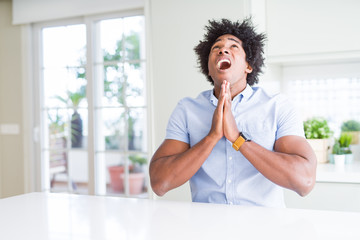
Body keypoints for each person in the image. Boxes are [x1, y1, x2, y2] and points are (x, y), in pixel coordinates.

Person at [149, 18, 317, 207]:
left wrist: (237, 139)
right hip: (205, 228)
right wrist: (212, 137)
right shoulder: (187, 109)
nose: (223, 50)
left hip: (265, 229)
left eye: (234, 46)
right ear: (209, 69)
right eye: (216, 48)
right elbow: (159, 183)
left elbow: (305, 182)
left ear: (249, 65)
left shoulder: (277, 106)